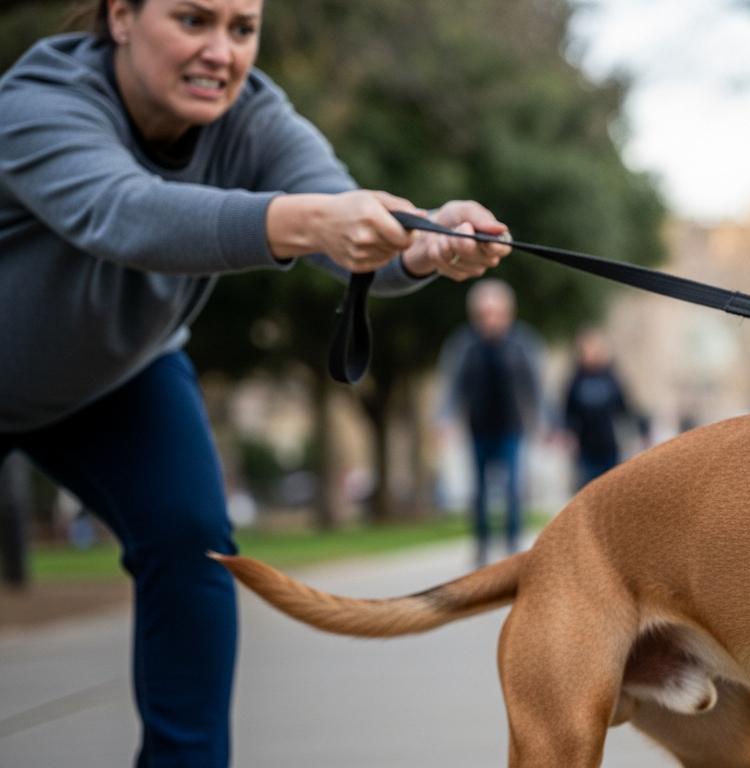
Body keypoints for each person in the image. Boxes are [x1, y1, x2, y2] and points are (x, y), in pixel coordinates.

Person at [0, 2, 511, 765]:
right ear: (120, 18)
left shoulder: (255, 118)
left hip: (118, 378)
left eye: (242, 29)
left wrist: (425, 242)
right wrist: (309, 222)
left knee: (195, 546)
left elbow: (344, 221)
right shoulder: (36, 103)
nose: (221, 52)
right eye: (194, 20)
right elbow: (124, 213)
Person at [443, 279, 541, 566]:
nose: (490, 319)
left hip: (512, 427)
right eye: (484, 313)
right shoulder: (465, 345)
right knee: (481, 491)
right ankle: (483, 542)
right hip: (478, 427)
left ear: (508, 312)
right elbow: (452, 387)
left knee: (512, 488)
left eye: (495, 312)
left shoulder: (522, 343)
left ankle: (512, 542)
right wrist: (445, 419)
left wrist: (546, 422)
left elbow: (535, 387)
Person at [562, 329, 645, 488]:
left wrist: (639, 432)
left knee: (610, 488)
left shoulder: (612, 378)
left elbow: (626, 408)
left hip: (609, 444)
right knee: (588, 488)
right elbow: (568, 411)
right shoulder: (576, 379)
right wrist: (569, 435)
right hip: (585, 445)